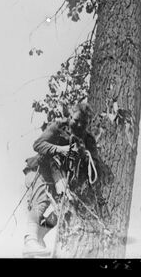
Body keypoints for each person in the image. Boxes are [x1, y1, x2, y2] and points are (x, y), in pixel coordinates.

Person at [22, 102, 99, 257]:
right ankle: (29, 240)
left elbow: (94, 163)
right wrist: (61, 150)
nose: (78, 125)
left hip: (62, 178)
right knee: (41, 201)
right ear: (70, 116)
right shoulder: (58, 127)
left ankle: (40, 234)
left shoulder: (88, 139)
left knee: (63, 209)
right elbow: (38, 145)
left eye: (83, 123)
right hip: (41, 169)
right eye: (75, 120)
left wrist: (85, 156)